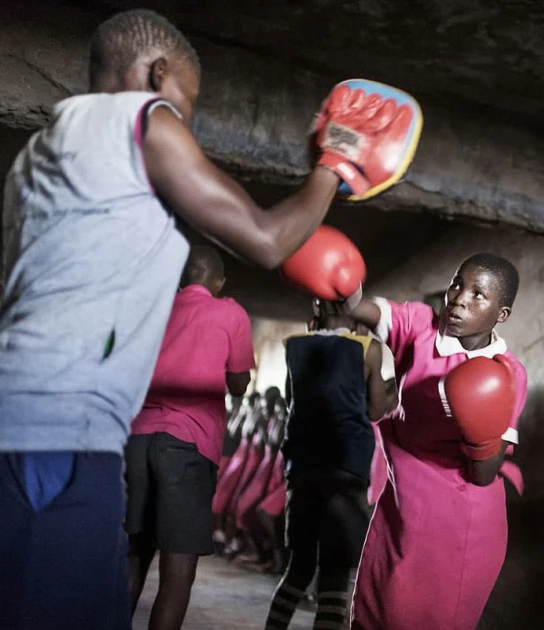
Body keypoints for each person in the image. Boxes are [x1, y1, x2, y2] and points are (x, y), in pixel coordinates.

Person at [0, 8, 418, 628]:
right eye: (187, 104)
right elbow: (267, 239)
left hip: (30, 417)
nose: (184, 123)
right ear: (158, 74)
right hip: (58, 427)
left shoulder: (40, 156)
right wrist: (337, 162)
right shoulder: (143, 118)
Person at [347, 253, 528, 630]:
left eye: (479, 294)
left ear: (501, 314)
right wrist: (341, 284)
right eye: (458, 283)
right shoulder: (421, 327)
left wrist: (479, 416)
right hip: (401, 505)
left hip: (460, 520)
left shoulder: (508, 374)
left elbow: (483, 475)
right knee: (372, 615)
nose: (460, 297)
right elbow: (369, 311)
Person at [123, 245, 254, 629]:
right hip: (188, 446)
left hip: (136, 441)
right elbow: (240, 384)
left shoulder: (154, 308)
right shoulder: (230, 312)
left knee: (131, 561)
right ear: (219, 281)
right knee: (177, 572)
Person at [265, 300, 390, 630]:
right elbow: (376, 410)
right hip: (345, 466)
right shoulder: (368, 349)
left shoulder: (295, 346)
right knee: (334, 574)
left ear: (316, 308)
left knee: (299, 567)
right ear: (355, 309)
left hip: (303, 467)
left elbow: (294, 404)